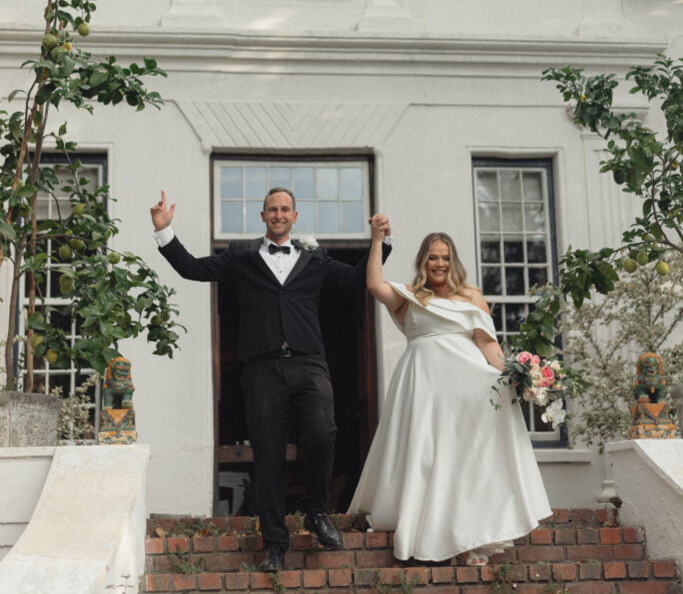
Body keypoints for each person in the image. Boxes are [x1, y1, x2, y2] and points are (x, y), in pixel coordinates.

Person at [150, 187, 391, 572]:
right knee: (268, 455)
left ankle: (316, 510)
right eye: (272, 210)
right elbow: (193, 269)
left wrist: (381, 240)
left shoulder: (315, 258)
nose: (279, 214)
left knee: (321, 432)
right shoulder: (241, 257)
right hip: (261, 368)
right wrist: (164, 231)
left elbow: (356, 279)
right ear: (263, 217)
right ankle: (275, 543)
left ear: (295, 217)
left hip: (309, 362)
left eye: (285, 209)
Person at [349, 219, 551, 564]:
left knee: (466, 460)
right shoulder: (409, 296)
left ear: (453, 260)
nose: (439, 264)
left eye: (444, 257)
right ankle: (420, 522)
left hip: (468, 388)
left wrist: (522, 374)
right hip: (423, 384)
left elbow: (489, 349)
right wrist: (377, 239)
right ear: (422, 262)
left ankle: (472, 537)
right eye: (432, 258)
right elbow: (373, 284)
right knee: (425, 456)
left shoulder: (472, 296)